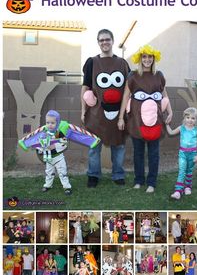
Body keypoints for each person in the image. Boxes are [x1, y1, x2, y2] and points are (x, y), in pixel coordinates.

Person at [118, 45, 172, 193]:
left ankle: (152, 182)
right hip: (136, 121)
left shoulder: (159, 75)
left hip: (155, 120)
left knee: (154, 153)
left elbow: (164, 95)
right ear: (140, 59)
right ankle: (139, 180)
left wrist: (170, 111)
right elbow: (125, 96)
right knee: (138, 153)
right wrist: (121, 118)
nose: (147, 60)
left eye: (150, 57)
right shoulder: (133, 76)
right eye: (144, 57)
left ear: (154, 59)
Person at [81, 29, 130, 188]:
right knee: (94, 146)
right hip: (97, 114)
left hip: (118, 114)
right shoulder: (92, 62)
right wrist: (83, 111)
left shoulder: (122, 63)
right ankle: (93, 175)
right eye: (101, 40)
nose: (104, 42)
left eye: (107, 39)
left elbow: (129, 89)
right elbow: (85, 88)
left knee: (119, 144)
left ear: (112, 40)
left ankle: (118, 175)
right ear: (98, 42)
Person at [166, 107, 197, 199]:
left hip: (192, 154)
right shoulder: (181, 128)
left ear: (196, 120)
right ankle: (178, 191)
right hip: (182, 154)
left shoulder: (196, 131)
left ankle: (187, 187)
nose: (190, 120)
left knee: (189, 171)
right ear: (184, 118)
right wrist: (167, 124)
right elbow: (170, 132)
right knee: (182, 171)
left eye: (193, 118)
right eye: (188, 117)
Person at [40, 110, 72, 195]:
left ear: (57, 123)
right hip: (49, 158)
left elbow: (64, 143)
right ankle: (47, 185)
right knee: (49, 172)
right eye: (48, 122)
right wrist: (41, 148)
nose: (50, 125)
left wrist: (54, 146)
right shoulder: (44, 133)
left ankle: (67, 187)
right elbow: (40, 143)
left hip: (58, 158)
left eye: (52, 123)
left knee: (62, 173)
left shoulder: (58, 133)